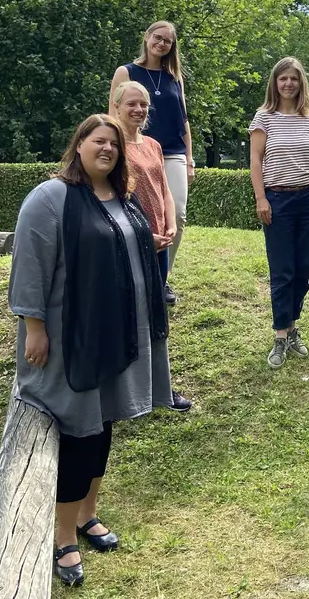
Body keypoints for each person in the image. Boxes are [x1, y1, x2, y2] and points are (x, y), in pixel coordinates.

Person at [7, 114, 172, 586]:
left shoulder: (124, 198)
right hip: (71, 338)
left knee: (103, 425)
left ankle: (87, 513)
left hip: (117, 336)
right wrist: (33, 327)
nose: (107, 150)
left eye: (114, 146)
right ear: (78, 145)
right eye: (98, 141)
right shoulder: (51, 198)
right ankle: (63, 538)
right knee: (80, 431)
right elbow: (30, 268)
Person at [109, 79, 193, 413]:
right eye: (131, 103)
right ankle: (123, 392)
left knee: (157, 317)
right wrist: (143, 234)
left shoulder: (154, 145)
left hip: (158, 244)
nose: (138, 110)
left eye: (143, 104)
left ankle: (162, 388)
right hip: (128, 244)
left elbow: (164, 191)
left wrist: (171, 225)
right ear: (116, 106)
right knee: (129, 315)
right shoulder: (111, 146)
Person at [249, 56, 309, 369]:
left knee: (302, 271)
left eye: (294, 79)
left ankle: (292, 326)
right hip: (278, 202)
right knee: (282, 271)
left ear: (301, 84)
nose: (288, 84)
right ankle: (280, 336)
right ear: (275, 82)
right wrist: (261, 198)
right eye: (283, 78)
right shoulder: (264, 118)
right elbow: (256, 160)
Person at [110, 21, 196, 304]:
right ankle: (135, 271)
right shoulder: (126, 71)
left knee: (177, 214)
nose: (162, 44)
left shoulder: (174, 76)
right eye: (157, 38)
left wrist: (190, 158)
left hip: (171, 150)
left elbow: (184, 120)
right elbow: (112, 113)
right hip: (133, 147)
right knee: (138, 213)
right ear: (146, 38)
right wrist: (114, 149)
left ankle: (163, 277)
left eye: (168, 41)